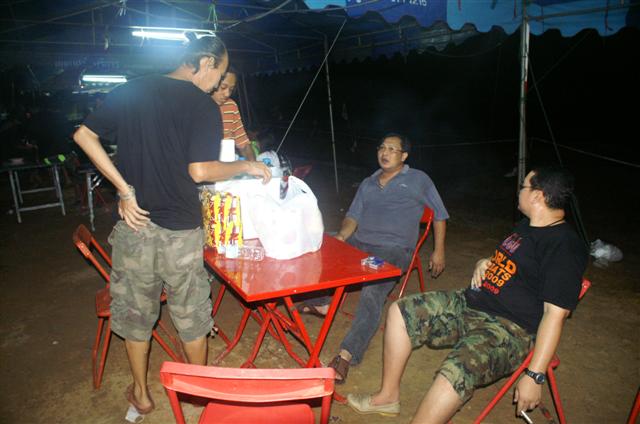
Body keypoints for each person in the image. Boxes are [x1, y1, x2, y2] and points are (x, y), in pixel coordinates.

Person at [73, 34, 271, 416]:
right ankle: (197, 394)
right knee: (191, 314)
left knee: (136, 314)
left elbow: (83, 135)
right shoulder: (202, 105)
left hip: (136, 224)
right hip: (181, 229)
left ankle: (142, 394)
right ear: (206, 63)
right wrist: (246, 165)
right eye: (220, 74)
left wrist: (124, 189)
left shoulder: (132, 89)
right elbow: (200, 171)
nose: (218, 84)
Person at [346, 166, 588, 424]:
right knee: (401, 312)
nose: (519, 191)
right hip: (472, 303)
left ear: (538, 195)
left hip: (509, 329)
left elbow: (554, 315)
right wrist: (486, 261)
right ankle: (387, 397)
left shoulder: (564, 246)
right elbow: (516, 264)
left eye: (523, 186)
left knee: (457, 369)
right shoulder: (526, 226)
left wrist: (535, 375)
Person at [299, 133, 448, 383]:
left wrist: (438, 250)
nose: (384, 153)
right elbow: (353, 216)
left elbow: (440, 215)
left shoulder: (418, 179)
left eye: (392, 149)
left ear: (404, 156)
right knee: (317, 243)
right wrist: (342, 236)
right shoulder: (368, 183)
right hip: (361, 243)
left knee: (372, 291)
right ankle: (322, 301)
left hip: (393, 249)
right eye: (381, 148)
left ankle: (347, 355)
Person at [211, 67, 256, 161]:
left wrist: (253, 165)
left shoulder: (231, 106)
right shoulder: (198, 106)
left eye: (231, 89)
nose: (227, 94)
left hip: (227, 166)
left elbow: (244, 145)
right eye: (223, 87)